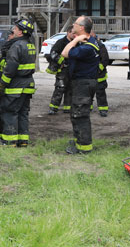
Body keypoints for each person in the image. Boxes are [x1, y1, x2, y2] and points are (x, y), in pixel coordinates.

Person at [0, 18, 37, 147]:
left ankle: (9, 141)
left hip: (16, 86)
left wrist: (2, 84)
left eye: (16, 29)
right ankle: (23, 140)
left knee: (10, 112)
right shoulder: (30, 45)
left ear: (21, 33)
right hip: (27, 85)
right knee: (23, 113)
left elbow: (10, 69)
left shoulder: (16, 46)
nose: (13, 30)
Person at [61, 16, 101, 154]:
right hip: (82, 83)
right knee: (76, 113)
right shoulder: (89, 42)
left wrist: (76, 39)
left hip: (83, 84)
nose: (73, 24)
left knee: (80, 115)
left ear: (82, 28)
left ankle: (84, 147)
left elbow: (65, 53)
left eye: (76, 23)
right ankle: (79, 140)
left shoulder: (86, 47)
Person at [46, 32, 73, 114]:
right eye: (73, 33)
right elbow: (53, 53)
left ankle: (67, 108)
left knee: (70, 89)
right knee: (60, 88)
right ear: (68, 33)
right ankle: (53, 108)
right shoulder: (61, 42)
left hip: (72, 70)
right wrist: (62, 62)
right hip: (62, 69)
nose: (75, 35)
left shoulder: (75, 42)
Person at [91, 31, 109, 117]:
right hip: (88, 75)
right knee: (88, 93)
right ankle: (87, 107)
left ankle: (103, 109)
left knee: (100, 93)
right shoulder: (83, 45)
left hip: (99, 75)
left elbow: (105, 59)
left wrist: (98, 69)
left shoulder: (100, 45)